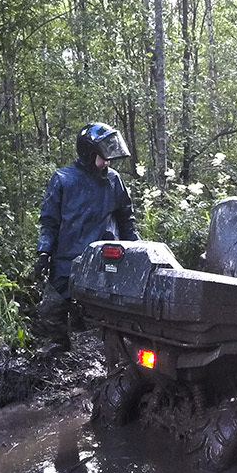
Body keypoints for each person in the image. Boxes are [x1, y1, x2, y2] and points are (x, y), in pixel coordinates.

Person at [35, 122, 140, 324]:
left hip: (105, 258)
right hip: (68, 258)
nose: (107, 162)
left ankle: (111, 346)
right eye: (103, 157)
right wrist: (43, 253)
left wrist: (137, 251)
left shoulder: (113, 180)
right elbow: (49, 221)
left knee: (111, 313)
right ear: (88, 153)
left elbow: (126, 220)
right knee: (52, 308)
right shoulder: (63, 179)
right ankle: (58, 343)